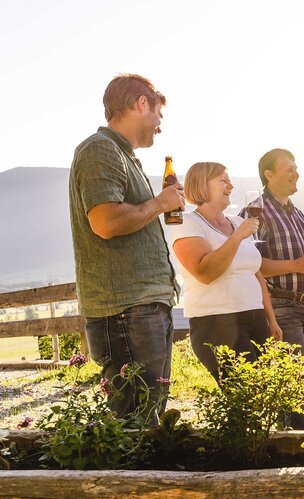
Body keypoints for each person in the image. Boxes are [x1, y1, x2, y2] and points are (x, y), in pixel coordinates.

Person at [68, 74, 183, 422]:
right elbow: (106, 223)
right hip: (125, 309)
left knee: (146, 414)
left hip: (141, 305)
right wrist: (160, 204)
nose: (160, 123)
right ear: (141, 103)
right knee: (134, 418)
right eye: (158, 112)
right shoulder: (99, 149)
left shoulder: (124, 156)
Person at [171, 162, 282, 383]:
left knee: (264, 393)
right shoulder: (188, 223)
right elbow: (205, 273)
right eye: (223, 180)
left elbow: (255, 274)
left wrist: (271, 318)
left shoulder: (238, 222)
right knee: (243, 395)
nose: (231, 185)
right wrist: (237, 237)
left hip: (255, 316)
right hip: (217, 321)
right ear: (202, 185)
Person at [248, 148, 304, 430]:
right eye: (289, 169)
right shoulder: (256, 212)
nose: (296, 173)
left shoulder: (297, 211)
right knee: (295, 386)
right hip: (282, 307)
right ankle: (299, 450)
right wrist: (297, 264)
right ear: (269, 175)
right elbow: (253, 265)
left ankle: (301, 443)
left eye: (296, 167)